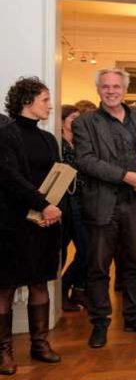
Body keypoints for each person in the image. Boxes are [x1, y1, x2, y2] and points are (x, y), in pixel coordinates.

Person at [73, 68, 136, 348]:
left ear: (125, 89)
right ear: (98, 90)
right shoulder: (85, 122)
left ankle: (134, 317)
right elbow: (86, 161)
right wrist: (128, 176)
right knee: (99, 267)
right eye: (105, 87)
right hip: (102, 204)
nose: (111, 91)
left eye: (116, 86)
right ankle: (100, 323)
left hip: (135, 204)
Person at [0, 77, 63, 374]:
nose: (50, 106)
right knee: (6, 288)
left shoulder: (48, 138)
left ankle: (40, 344)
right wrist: (43, 204)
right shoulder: (5, 134)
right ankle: (3, 353)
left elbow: (57, 177)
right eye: (45, 100)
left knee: (40, 281)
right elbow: (10, 178)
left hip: (44, 222)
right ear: (27, 102)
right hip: (12, 224)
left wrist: (52, 208)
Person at [60, 104, 89, 312]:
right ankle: (61, 290)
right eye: (72, 118)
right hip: (63, 203)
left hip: (82, 201)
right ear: (62, 121)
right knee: (64, 249)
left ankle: (75, 288)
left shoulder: (80, 143)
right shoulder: (57, 143)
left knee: (86, 250)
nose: (76, 122)